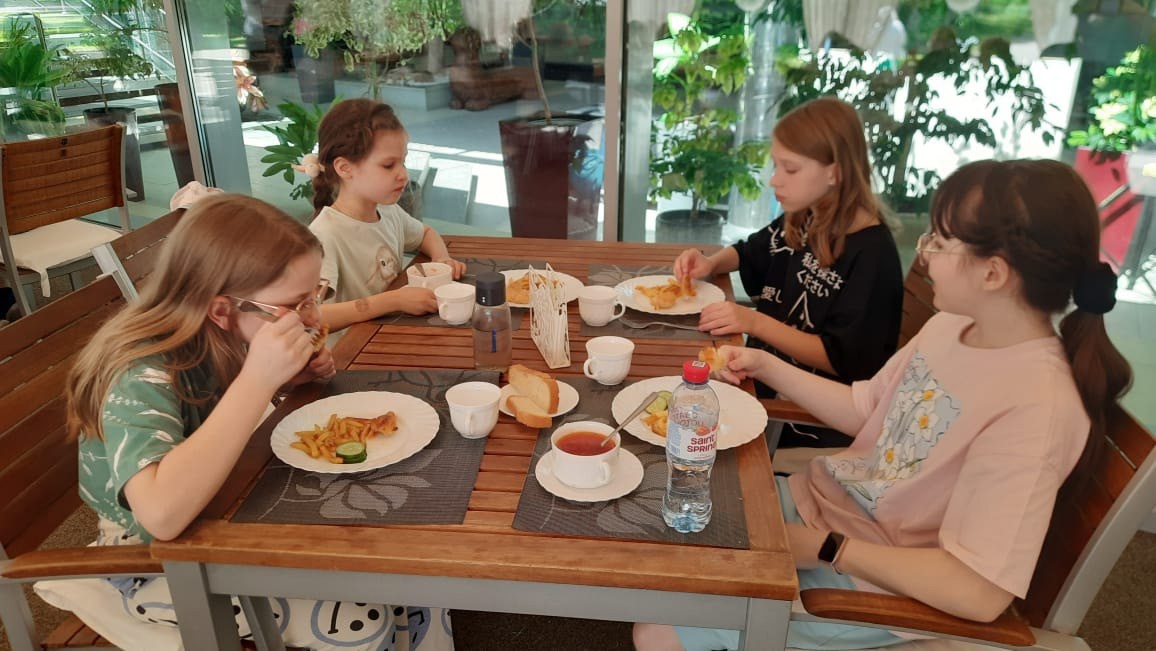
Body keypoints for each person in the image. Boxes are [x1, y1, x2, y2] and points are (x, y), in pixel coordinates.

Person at [636, 159, 1133, 651]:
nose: (924, 255)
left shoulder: (1038, 406)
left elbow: (978, 591)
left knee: (659, 628)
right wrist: (764, 365)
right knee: (668, 527)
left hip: (872, 582)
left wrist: (829, 548)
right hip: (821, 508)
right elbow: (866, 409)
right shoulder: (952, 328)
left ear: (993, 273)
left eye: (939, 242)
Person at [59, 195, 454, 650]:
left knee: (404, 564)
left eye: (316, 296)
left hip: (226, 505)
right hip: (148, 561)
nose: (311, 317)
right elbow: (161, 515)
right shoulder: (140, 372)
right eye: (295, 304)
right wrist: (258, 381)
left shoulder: (225, 331)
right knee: (363, 613)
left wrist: (284, 381)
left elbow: (221, 413)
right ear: (222, 309)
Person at [673, 97, 903, 449]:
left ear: (835, 172)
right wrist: (711, 263)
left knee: (679, 423)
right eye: (776, 166)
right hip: (756, 376)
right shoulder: (808, 215)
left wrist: (754, 322)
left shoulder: (873, 256)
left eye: (790, 169)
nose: (774, 180)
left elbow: (843, 358)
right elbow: (751, 251)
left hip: (802, 416)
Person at [306, 98, 467, 332]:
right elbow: (312, 316)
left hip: (392, 332)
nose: (403, 174)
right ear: (344, 168)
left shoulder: (388, 211)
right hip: (355, 348)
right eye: (388, 165)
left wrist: (441, 259)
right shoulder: (324, 235)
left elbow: (425, 234)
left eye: (403, 161)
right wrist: (394, 300)